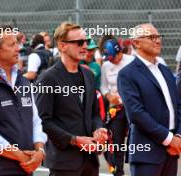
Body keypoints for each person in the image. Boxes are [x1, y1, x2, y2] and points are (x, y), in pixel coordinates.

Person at [0, 24, 47, 176]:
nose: (18, 48)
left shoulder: (24, 82)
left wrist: (40, 151)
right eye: (12, 44)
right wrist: (21, 156)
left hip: (26, 169)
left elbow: (35, 120)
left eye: (17, 42)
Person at [35, 22, 108, 176]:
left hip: (90, 162)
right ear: (62, 46)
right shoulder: (48, 78)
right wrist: (74, 140)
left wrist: (98, 129)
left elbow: (94, 113)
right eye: (79, 42)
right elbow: (42, 121)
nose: (85, 46)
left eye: (86, 42)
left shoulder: (88, 74)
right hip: (64, 163)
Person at [118, 23, 181, 176]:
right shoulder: (127, 74)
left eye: (158, 37)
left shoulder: (165, 71)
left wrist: (178, 136)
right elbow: (136, 113)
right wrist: (169, 139)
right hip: (146, 153)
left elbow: (178, 105)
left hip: (172, 152)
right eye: (152, 37)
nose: (158, 41)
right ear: (136, 43)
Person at [100, 39, 134, 176]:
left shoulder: (132, 61)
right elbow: (102, 86)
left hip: (132, 107)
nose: (111, 60)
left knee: (135, 140)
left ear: (120, 52)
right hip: (116, 109)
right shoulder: (106, 66)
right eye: (109, 58)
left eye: (113, 57)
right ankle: (117, 172)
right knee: (116, 140)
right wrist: (108, 95)